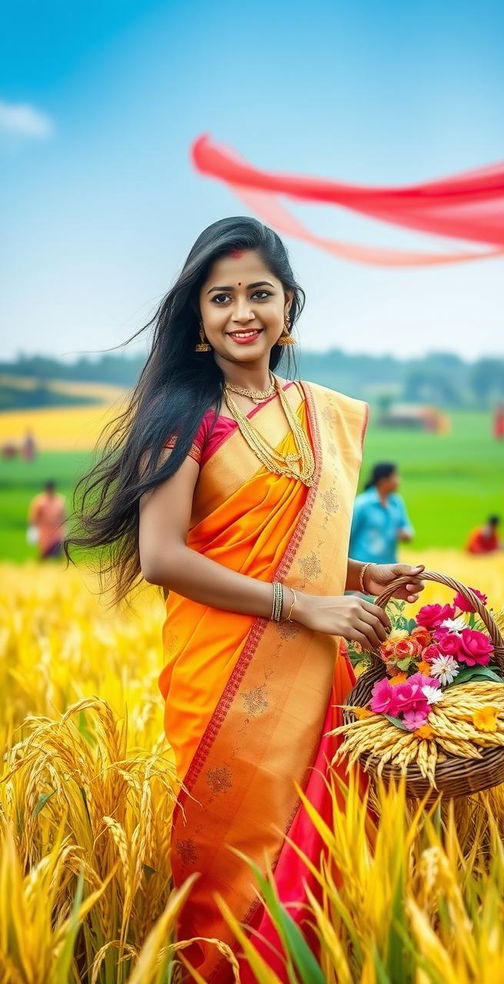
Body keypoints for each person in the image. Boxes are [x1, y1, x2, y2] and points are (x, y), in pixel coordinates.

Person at [67, 217, 425, 983]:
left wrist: (359, 578)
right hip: (222, 677)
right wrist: (305, 607)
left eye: (259, 293)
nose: (241, 312)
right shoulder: (183, 420)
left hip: (313, 669)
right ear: (198, 318)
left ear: (288, 306)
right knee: (236, 873)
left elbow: (304, 543)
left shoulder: (314, 412)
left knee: (318, 866)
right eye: (220, 297)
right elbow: (165, 557)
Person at [349, 462, 414, 567]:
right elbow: (349, 533)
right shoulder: (363, 503)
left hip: (389, 565)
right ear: (383, 481)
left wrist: (406, 534)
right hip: (363, 565)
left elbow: (406, 528)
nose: (399, 481)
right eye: (395, 476)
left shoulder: (396, 503)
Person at [27, 480, 66, 560]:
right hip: (44, 532)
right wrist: (32, 530)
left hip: (57, 532)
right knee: (44, 554)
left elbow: (63, 516)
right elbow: (33, 517)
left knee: (57, 553)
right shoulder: (39, 501)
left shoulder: (60, 500)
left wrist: (65, 529)